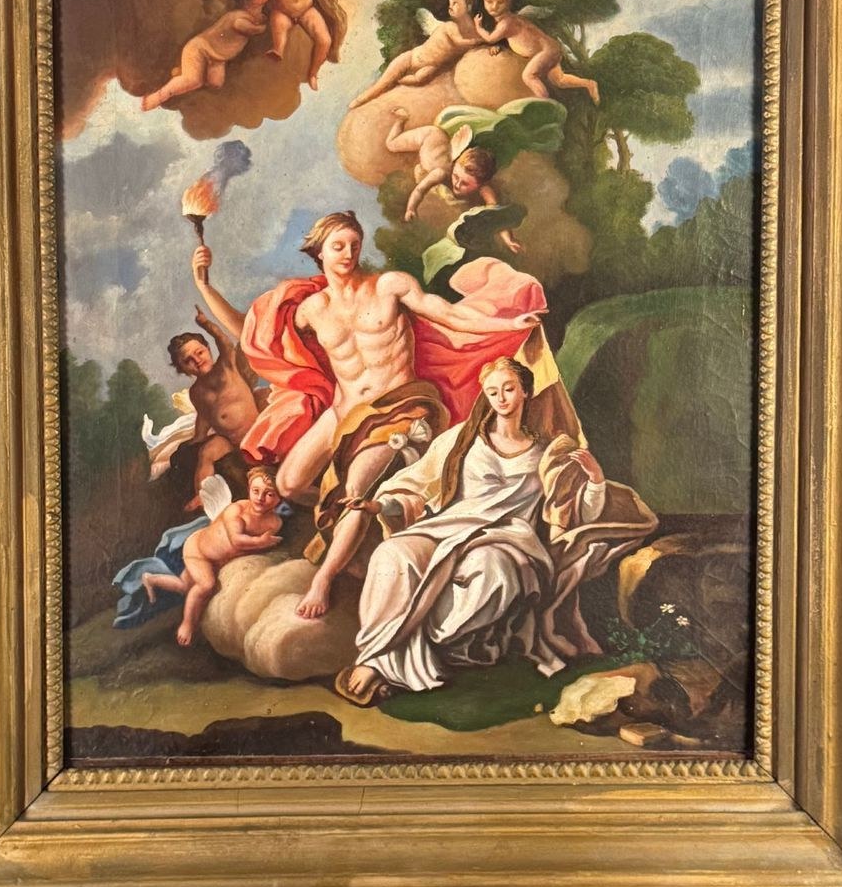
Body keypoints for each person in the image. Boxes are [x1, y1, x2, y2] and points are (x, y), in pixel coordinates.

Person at [192, 214, 546, 620]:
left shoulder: (389, 286)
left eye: (354, 245)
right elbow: (253, 336)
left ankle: (323, 578)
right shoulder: (311, 309)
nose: (348, 253)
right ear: (319, 252)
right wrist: (205, 287)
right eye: (338, 246)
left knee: (356, 488)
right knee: (288, 483)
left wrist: (505, 323)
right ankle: (359, 528)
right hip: (344, 410)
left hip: (401, 404)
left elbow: (447, 314)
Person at [334, 356, 657, 704]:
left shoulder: (547, 454)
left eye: (508, 389)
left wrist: (594, 480)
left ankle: (426, 648)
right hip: (448, 528)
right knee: (392, 553)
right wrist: (380, 506)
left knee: (492, 571)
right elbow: (418, 484)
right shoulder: (462, 439)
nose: (501, 398)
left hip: (509, 541)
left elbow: (580, 513)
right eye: (492, 392)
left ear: (525, 392)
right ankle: (375, 657)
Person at [140, 467, 284, 646]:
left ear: (280, 498)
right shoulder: (236, 510)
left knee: (185, 586)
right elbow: (237, 540)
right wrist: (260, 542)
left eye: (269, 494)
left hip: (220, 559)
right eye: (256, 491)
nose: (260, 498)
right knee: (206, 585)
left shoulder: (275, 523)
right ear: (248, 489)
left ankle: (151, 579)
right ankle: (187, 624)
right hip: (198, 551)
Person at [157, 296, 265, 511]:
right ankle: (202, 494)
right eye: (188, 360)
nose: (197, 360)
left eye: (199, 352)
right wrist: (197, 438)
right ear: (182, 369)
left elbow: (225, 342)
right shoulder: (196, 392)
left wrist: (207, 324)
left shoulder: (226, 366)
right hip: (230, 441)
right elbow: (204, 416)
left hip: (255, 432)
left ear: (208, 349)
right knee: (206, 453)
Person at [383, 106, 523, 253]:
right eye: (456, 176)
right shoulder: (440, 173)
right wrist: (411, 208)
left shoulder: (485, 189)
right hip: (430, 137)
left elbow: (496, 215)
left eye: (465, 183)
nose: (457, 184)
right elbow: (420, 190)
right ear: (455, 165)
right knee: (391, 144)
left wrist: (509, 240)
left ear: (480, 184)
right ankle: (402, 119)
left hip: (444, 150)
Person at [141, 0, 270, 110]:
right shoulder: (240, 17)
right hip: (199, 49)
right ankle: (159, 96)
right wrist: (262, 27)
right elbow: (243, 26)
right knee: (193, 80)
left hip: (216, 58)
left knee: (216, 84)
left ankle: (194, 95)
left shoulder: (250, 14)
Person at [474, 0, 599, 103]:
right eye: (489, 1)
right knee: (559, 80)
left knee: (529, 76)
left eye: (500, 2)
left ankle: (544, 102)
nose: (494, 6)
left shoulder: (506, 23)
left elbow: (490, 39)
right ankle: (589, 84)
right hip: (552, 48)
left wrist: (478, 27)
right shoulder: (513, 19)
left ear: (508, 1)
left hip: (545, 52)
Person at [348, 0, 481, 108]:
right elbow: (460, 42)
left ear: (468, 6)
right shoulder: (450, 26)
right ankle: (359, 101)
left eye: (455, 3)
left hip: (431, 66)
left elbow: (465, 45)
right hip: (411, 58)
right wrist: (479, 40)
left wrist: (481, 38)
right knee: (382, 84)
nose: (450, 7)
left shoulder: (470, 31)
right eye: (450, 3)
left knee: (419, 79)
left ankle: (399, 81)